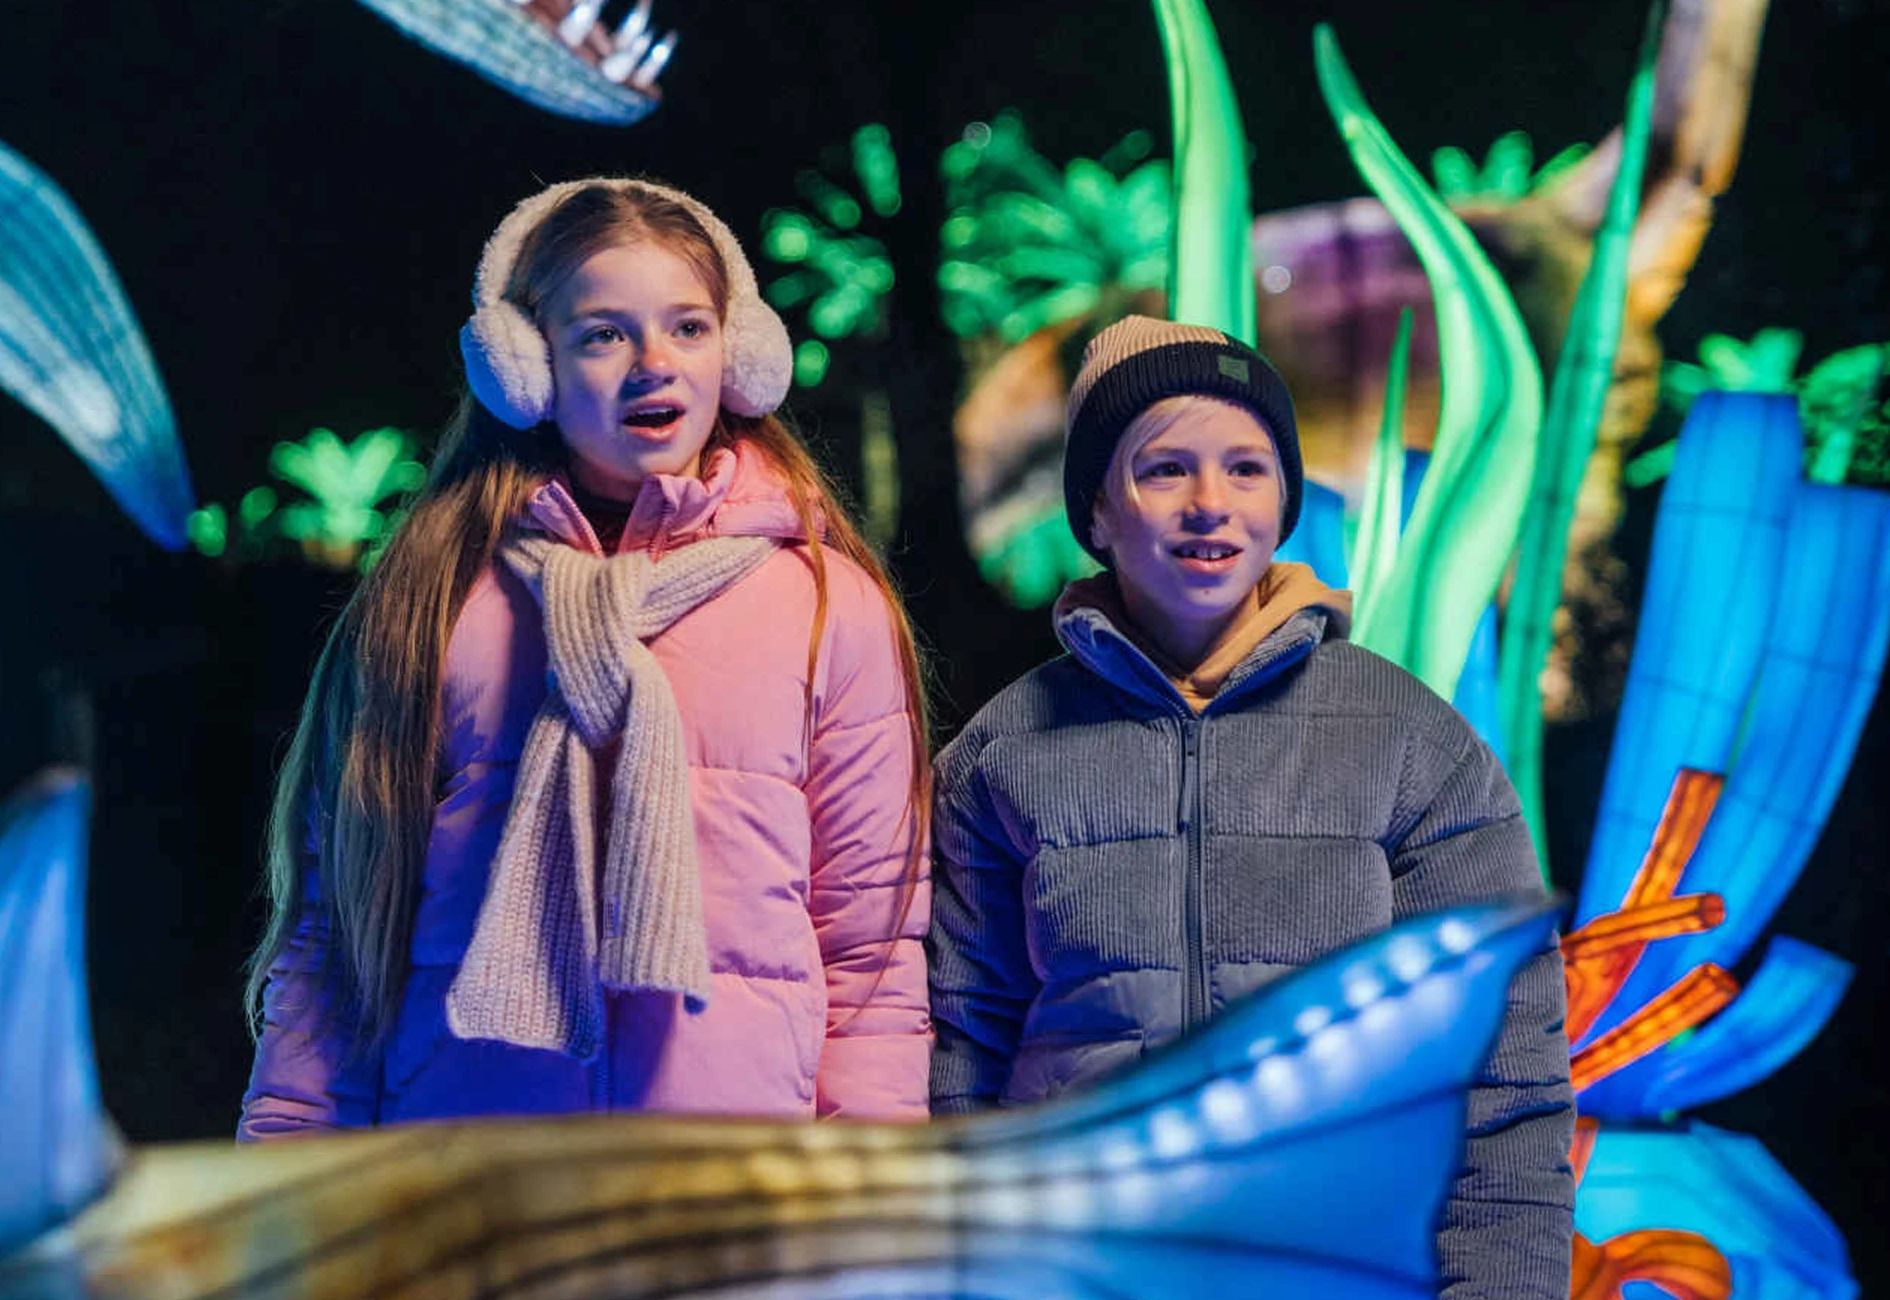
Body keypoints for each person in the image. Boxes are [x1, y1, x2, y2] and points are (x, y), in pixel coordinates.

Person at [239, 177, 932, 1132]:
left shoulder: (826, 606)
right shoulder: (429, 601)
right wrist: (289, 1187)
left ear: (740, 353)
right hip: (478, 1178)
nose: (655, 363)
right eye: (604, 334)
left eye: (689, 327)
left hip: (733, 1182)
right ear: (525, 368)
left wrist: (873, 1205)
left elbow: (871, 957)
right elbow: (335, 946)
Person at [928, 315, 1572, 1295]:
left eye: (1246, 467)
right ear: (1096, 510)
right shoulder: (1002, 754)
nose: (1209, 504)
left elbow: (1504, 1068)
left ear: (1284, 499)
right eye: (1164, 468)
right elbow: (958, 1052)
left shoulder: (1410, 739)